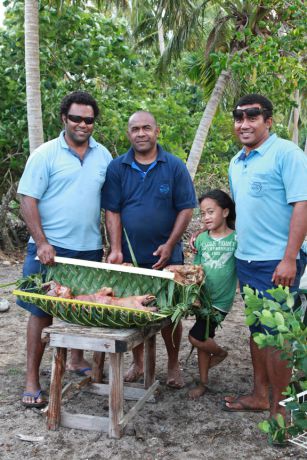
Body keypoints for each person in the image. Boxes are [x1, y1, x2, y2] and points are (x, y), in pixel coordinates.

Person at [17, 91, 112, 407]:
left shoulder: (104, 156)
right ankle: (32, 379)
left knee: (83, 309)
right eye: (76, 118)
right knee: (41, 314)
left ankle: (75, 360)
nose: (82, 124)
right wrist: (42, 242)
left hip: (88, 249)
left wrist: (112, 245)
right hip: (49, 252)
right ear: (64, 119)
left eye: (88, 119)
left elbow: (110, 204)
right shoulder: (44, 154)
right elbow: (27, 199)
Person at [225, 94, 307, 416]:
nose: (243, 123)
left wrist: (289, 258)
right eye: (238, 117)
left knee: (277, 337)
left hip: (278, 263)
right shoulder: (236, 162)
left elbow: (303, 204)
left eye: (252, 116)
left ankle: (281, 411)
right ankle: (260, 395)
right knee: (258, 331)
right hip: (246, 261)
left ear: (268, 121)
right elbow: (244, 212)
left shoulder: (286, 153)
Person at [102, 110, 197, 388]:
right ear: (128, 133)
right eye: (135, 129)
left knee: (170, 314)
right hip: (130, 256)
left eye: (146, 128)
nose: (141, 133)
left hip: (168, 257)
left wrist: (170, 245)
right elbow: (113, 210)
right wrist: (116, 249)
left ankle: (173, 364)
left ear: (157, 131)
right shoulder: (117, 167)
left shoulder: (174, 166)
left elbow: (186, 208)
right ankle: (139, 363)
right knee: (133, 310)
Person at [188, 189, 237, 399]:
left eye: (211, 212)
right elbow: (197, 271)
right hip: (203, 299)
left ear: (225, 212)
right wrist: (195, 295)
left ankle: (220, 352)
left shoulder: (237, 239)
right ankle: (203, 382)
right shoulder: (201, 240)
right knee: (204, 337)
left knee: (195, 336)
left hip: (220, 302)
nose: (206, 217)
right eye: (203, 214)